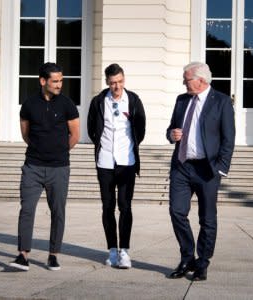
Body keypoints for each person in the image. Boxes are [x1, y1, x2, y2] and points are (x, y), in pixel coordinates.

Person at [166, 62, 235, 281]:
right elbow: (171, 129)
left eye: (186, 80)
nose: (183, 83)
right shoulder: (181, 100)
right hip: (182, 166)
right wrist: (171, 135)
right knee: (177, 211)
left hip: (207, 169)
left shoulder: (222, 102)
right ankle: (187, 257)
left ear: (201, 80)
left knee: (207, 219)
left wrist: (221, 169)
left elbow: (228, 138)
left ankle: (202, 263)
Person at [9, 62, 80, 271]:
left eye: (61, 81)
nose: (59, 85)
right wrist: (40, 150)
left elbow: (75, 135)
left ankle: (53, 255)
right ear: (43, 81)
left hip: (59, 168)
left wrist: (58, 152)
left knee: (58, 211)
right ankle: (23, 255)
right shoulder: (29, 104)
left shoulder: (67, 104)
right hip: (33, 166)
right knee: (27, 209)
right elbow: (25, 134)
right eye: (55, 81)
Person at [87, 63, 146, 269]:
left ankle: (125, 252)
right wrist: (103, 146)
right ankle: (112, 249)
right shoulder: (98, 102)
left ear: (124, 80)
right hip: (104, 161)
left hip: (127, 161)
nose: (117, 86)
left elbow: (141, 129)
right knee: (107, 206)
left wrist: (129, 146)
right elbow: (91, 129)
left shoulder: (134, 100)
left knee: (125, 205)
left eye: (120, 82)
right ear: (107, 82)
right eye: (113, 83)